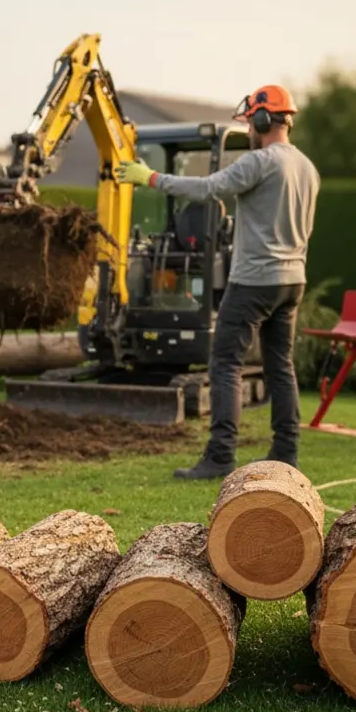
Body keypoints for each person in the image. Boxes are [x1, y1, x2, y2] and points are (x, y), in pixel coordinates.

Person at [115, 84, 320, 480]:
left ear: (263, 119)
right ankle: (286, 455)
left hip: (253, 282)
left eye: (251, 123)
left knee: (225, 363)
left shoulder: (259, 161)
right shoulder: (307, 168)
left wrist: (152, 177)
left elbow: (208, 189)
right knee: (281, 366)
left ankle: (220, 457)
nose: (250, 131)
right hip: (293, 281)